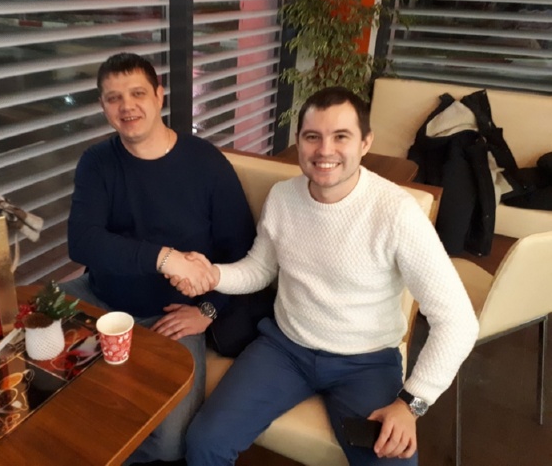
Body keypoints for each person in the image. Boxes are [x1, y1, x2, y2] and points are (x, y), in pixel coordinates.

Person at [175, 87, 479, 465]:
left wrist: (411, 404)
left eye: (341, 136)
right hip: (284, 349)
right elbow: (260, 269)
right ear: (299, 141)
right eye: (312, 137)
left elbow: (458, 320)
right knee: (205, 442)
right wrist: (211, 275)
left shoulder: (396, 212)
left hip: (366, 363)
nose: (325, 150)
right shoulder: (283, 197)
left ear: (365, 143)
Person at [62, 53, 255, 464]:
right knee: (30, 334)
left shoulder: (206, 163)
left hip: (171, 317)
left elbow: (242, 250)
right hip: (99, 297)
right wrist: (163, 257)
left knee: (170, 443)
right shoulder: (97, 162)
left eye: (137, 94)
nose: (126, 106)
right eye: (114, 98)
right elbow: (82, 242)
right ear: (102, 106)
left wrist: (208, 309)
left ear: (159, 96)